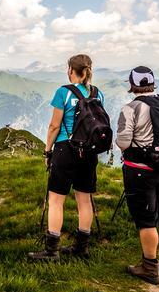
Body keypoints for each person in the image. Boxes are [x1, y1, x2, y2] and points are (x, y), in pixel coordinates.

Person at [28, 54, 104, 261]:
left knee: (56, 199)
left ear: (71, 70)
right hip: (88, 152)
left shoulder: (63, 92)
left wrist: (47, 150)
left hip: (66, 149)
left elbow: (54, 125)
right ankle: (82, 247)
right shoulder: (98, 93)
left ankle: (52, 250)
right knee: (84, 199)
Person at [115, 66, 159, 284]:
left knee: (146, 220)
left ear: (132, 84)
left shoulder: (131, 108)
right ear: (152, 83)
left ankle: (150, 267)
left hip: (141, 172)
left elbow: (124, 142)